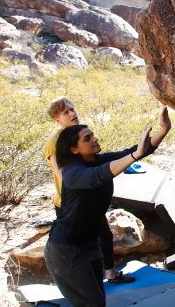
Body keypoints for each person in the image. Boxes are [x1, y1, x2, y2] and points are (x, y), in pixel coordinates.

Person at [44, 107, 171, 307]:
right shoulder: (73, 173)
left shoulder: (96, 160)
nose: (94, 139)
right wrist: (135, 153)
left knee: (95, 305)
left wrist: (163, 130)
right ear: (74, 149)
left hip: (88, 243)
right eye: (87, 138)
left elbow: (135, 153)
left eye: (93, 135)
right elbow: (100, 175)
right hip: (66, 250)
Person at [43, 98, 132, 284]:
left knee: (103, 234)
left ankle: (110, 272)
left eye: (72, 109)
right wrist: (88, 183)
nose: (72, 114)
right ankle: (79, 280)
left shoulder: (80, 134)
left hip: (89, 198)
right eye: (65, 113)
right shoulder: (55, 142)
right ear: (57, 119)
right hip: (71, 202)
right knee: (79, 242)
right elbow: (64, 175)